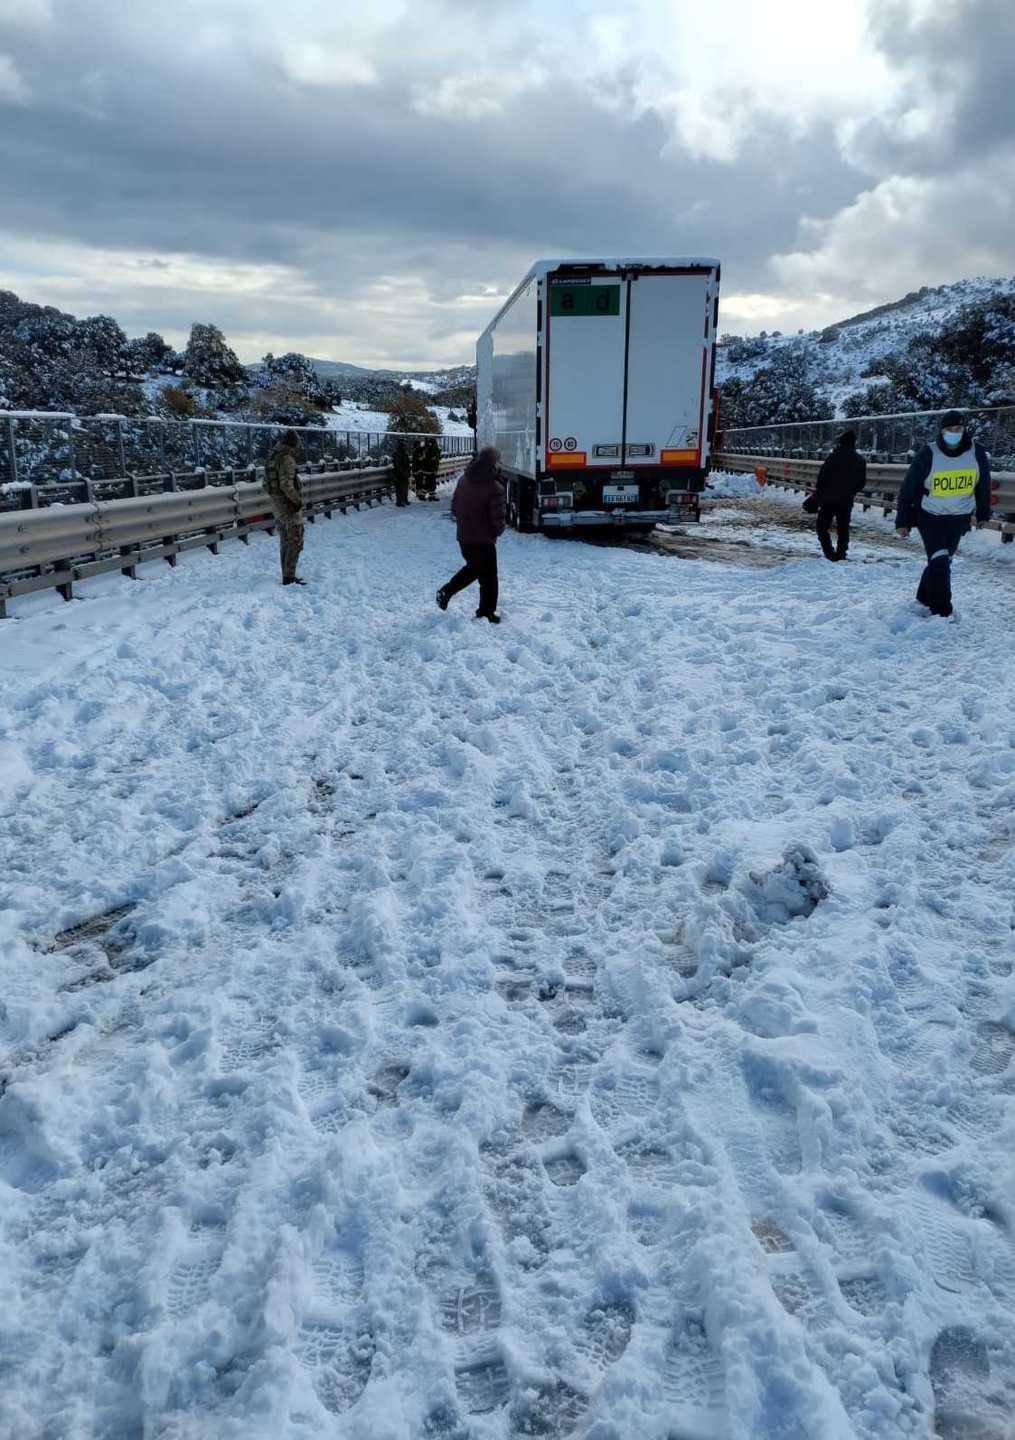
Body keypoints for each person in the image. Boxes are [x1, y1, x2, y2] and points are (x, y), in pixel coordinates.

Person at [895, 409, 992, 617]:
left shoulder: (977, 453)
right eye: (950, 429)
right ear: (942, 430)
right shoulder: (928, 453)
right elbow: (909, 487)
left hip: (959, 517)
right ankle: (942, 610)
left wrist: (983, 512)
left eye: (958, 428)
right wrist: (902, 520)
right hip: (930, 516)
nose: (954, 432)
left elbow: (983, 485)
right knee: (939, 558)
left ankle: (924, 595)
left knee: (943, 560)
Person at [436, 447, 505, 623]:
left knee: (476, 569)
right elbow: (497, 520)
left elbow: (454, 508)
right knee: (488, 576)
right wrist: (497, 530)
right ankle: (484, 611)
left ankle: (482, 610)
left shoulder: (463, 481)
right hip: (484, 539)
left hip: (464, 538)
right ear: (493, 465)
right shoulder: (495, 488)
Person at [813, 430, 867, 561]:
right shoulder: (860, 460)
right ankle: (841, 553)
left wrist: (819, 495)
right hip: (846, 499)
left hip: (829, 499)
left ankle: (829, 553)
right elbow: (861, 483)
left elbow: (822, 478)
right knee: (843, 528)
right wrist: (851, 492)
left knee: (822, 527)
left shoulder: (833, 457)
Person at [264, 429, 305, 585]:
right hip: (288, 505)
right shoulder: (287, 459)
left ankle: (286, 574)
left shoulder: (272, 457)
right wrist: (297, 501)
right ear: (292, 445)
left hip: (277, 504)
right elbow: (287, 485)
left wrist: (276, 499)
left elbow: (265, 484)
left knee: (285, 539)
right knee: (295, 539)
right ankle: (289, 576)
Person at [392, 438, 411, 506]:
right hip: (399, 474)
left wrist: (407, 471)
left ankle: (404, 500)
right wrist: (404, 472)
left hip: (403, 473)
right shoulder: (397, 454)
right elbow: (397, 465)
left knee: (404, 487)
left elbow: (407, 463)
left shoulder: (404, 454)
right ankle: (400, 501)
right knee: (400, 488)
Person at [422, 436, 442, 500]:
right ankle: (430, 496)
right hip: (431, 469)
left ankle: (424, 495)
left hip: (427, 469)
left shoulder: (427, 449)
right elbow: (435, 460)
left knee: (428, 482)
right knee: (432, 483)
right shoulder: (434, 450)